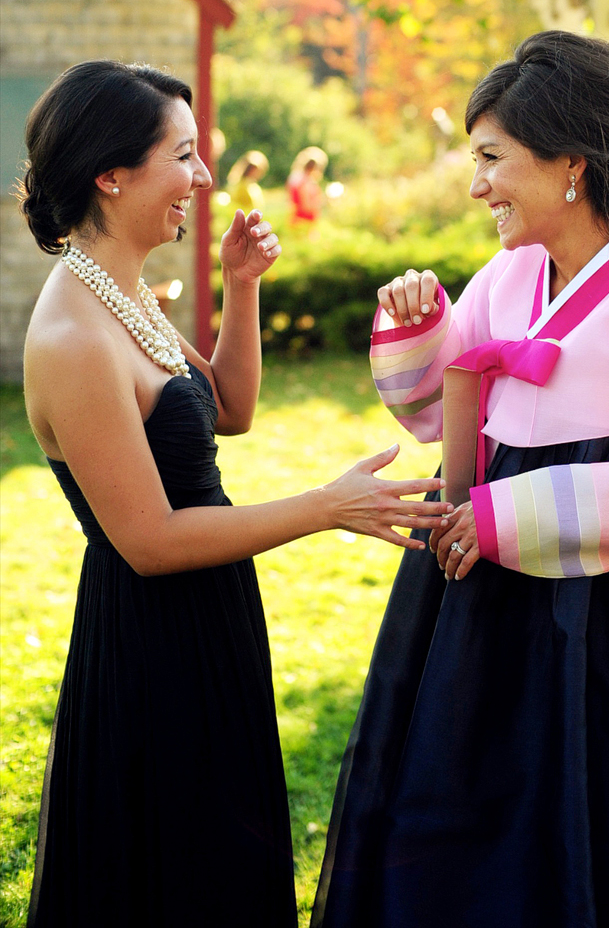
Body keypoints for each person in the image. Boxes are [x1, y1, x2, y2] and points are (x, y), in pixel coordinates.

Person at [312, 32, 609, 928]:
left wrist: (504, 513)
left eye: (492, 159)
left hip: (608, 621)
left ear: (571, 166)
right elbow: (441, 414)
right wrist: (420, 326)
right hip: (475, 598)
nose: (476, 186)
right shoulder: (507, 280)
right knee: (459, 806)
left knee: (588, 814)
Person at [19, 60, 452, 928]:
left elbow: (229, 409)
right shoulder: (72, 334)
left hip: (212, 614)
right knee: (173, 875)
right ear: (112, 172)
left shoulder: (124, 290)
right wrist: (327, 507)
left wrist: (240, 286)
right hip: (151, 645)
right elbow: (148, 541)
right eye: (183, 156)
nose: (203, 178)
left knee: (221, 860)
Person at [287, 146, 328, 227]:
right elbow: (305, 207)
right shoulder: (305, 183)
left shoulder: (301, 180)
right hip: (302, 224)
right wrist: (324, 202)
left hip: (304, 223)